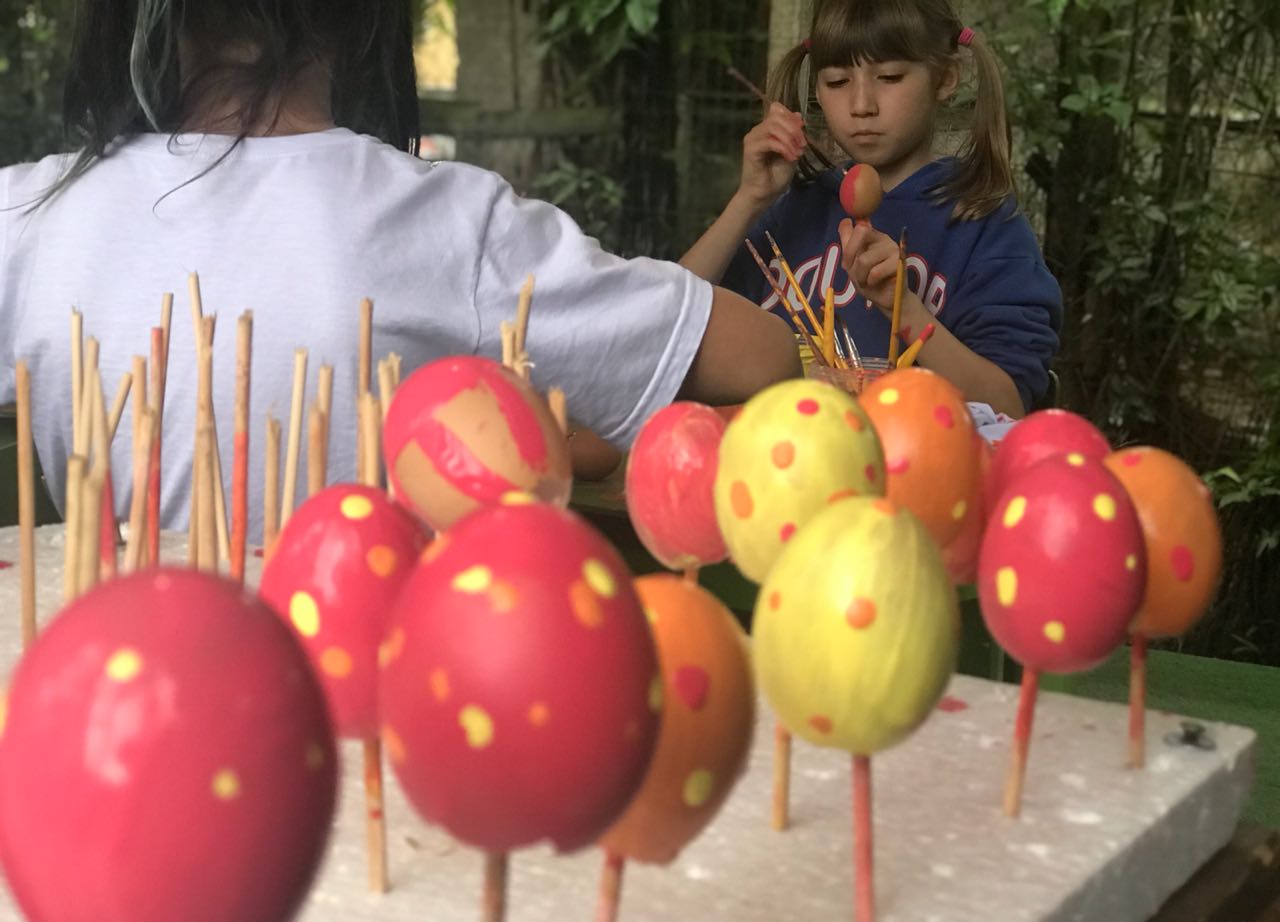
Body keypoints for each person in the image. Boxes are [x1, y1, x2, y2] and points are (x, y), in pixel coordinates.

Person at [0, 0, 798, 537]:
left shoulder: (28, 215)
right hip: (359, 722)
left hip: (98, 715)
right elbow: (761, 355)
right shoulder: (452, 225)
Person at [682, 0, 1060, 417]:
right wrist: (749, 199)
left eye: (890, 77)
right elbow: (664, 327)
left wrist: (904, 309)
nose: (861, 104)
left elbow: (1008, 405)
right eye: (837, 81)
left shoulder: (982, 223)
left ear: (945, 78)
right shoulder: (790, 210)